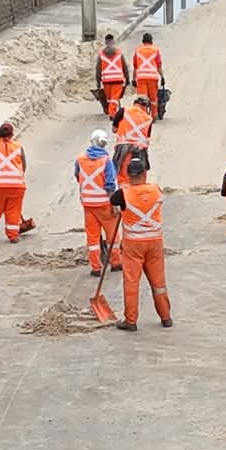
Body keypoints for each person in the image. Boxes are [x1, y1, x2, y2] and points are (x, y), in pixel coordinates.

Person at [108, 157, 172, 332]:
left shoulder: (123, 194)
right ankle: (166, 317)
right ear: (145, 173)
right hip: (155, 243)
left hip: (133, 245)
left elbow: (113, 200)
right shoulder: (156, 190)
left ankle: (131, 320)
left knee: (131, 282)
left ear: (128, 175)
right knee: (159, 283)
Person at [75, 130, 122, 275]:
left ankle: (96, 267)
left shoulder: (80, 159)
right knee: (112, 235)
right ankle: (115, 262)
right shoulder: (106, 161)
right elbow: (110, 184)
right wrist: (115, 204)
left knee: (92, 237)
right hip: (105, 204)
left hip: (88, 204)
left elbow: (78, 176)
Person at [111, 94, 156, 174]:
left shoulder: (123, 111)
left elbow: (114, 130)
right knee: (140, 175)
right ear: (146, 107)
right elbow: (147, 137)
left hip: (122, 150)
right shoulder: (148, 119)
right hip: (140, 150)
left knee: (120, 173)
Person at [96, 34, 129, 119]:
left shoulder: (101, 54)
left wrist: (98, 81)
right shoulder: (119, 53)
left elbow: (98, 69)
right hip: (118, 79)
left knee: (110, 98)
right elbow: (125, 67)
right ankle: (112, 113)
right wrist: (127, 78)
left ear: (105, 42)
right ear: (113, 41)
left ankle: (112, 112)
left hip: (106, 80)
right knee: (114, 98)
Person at [132, 32, 165, 111]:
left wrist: (133, 79)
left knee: (142, 99)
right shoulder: (155, 50)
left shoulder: (138, 51)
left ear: (143, 41)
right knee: (153, 99)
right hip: (152, 78)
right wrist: (162, 77)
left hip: (141, 78)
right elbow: (159, 66)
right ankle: (153, 116)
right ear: (151, 41)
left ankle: (143, 116)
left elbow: (135, 67)